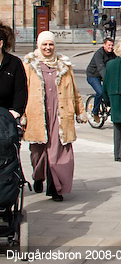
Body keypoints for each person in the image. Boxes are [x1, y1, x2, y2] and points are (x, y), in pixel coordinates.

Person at [21, 31, 86, 202]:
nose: (48, 48)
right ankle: (38, 176)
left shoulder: (63, 65)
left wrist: (80, 111)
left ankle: (55, 189)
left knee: (58, 154)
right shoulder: (29, 65)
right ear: (39, 45)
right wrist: (21, 115)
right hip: (37, 116)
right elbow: (21, 92)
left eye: (50, 44)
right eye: (44, 44)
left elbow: (74, 90)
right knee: (38, 154)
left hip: (60, 116)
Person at [0, 22, 26, 120]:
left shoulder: (15, 63)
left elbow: (21, 90)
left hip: (7, 118)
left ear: (0, 43)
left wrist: (17, 111)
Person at [86, 38, 115, 124]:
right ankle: (95, 112)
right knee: (100, 92)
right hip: (93, 75)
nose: (110, 47)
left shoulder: (112, 54)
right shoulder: (99, 54)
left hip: (104, 76)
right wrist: (107, 80)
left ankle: (108, 105)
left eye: (112, 45)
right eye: (109, 45)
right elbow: (101, 68)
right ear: (104, 45)